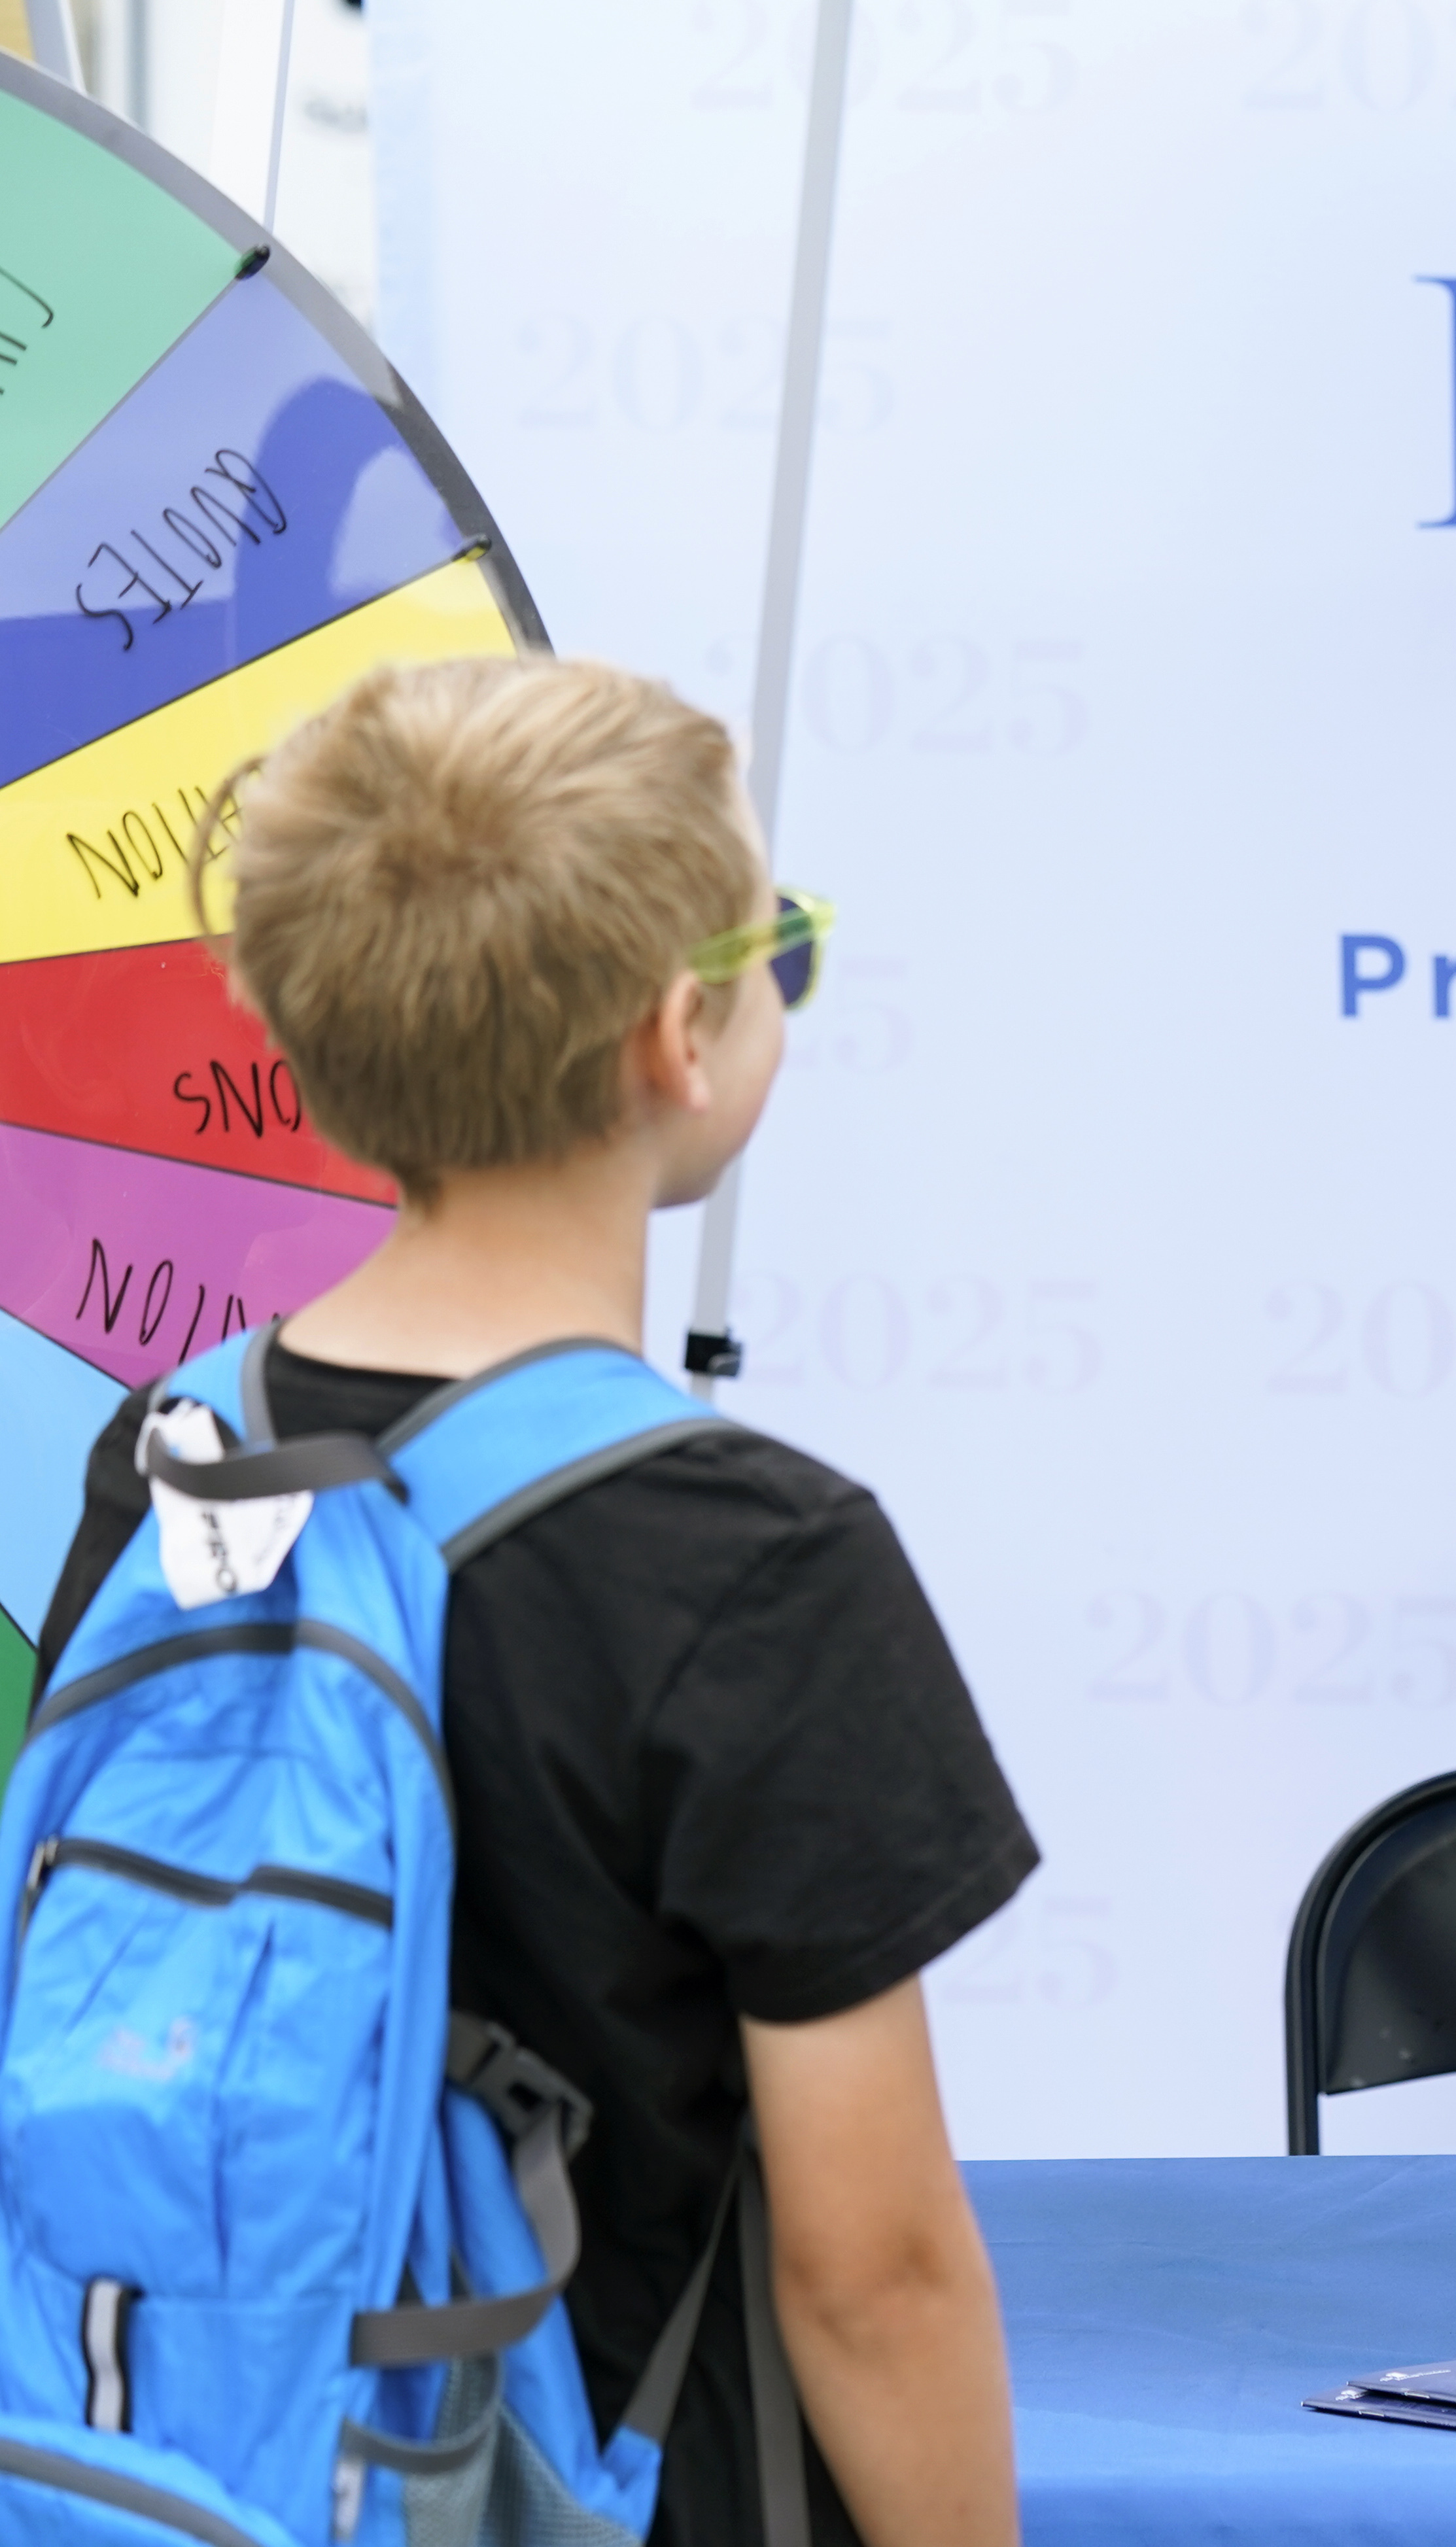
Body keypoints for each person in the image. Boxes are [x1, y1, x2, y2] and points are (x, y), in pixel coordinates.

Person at [34, 660, 1033, 2546]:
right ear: (684, 1036)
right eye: (781, 945)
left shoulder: (165, 1460)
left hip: (193, 2480)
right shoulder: (759, 1564)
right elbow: (873, 2273)